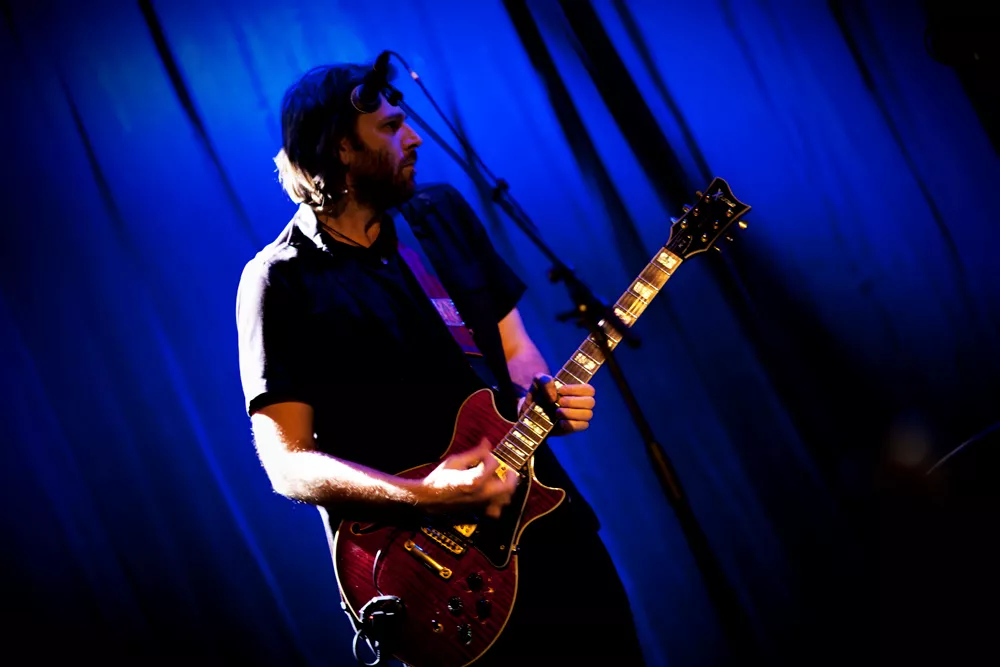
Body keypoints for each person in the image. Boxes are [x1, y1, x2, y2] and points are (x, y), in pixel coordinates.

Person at [236, 61, 645, 666]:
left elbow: (514, 352)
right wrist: (422, 497)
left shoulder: (440, 215)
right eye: (391, 127)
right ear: (342, 148)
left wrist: (543, 397)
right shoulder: (279, 281)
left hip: (544, 525)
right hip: (432, 577)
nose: (415, 138)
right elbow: (286, 464)